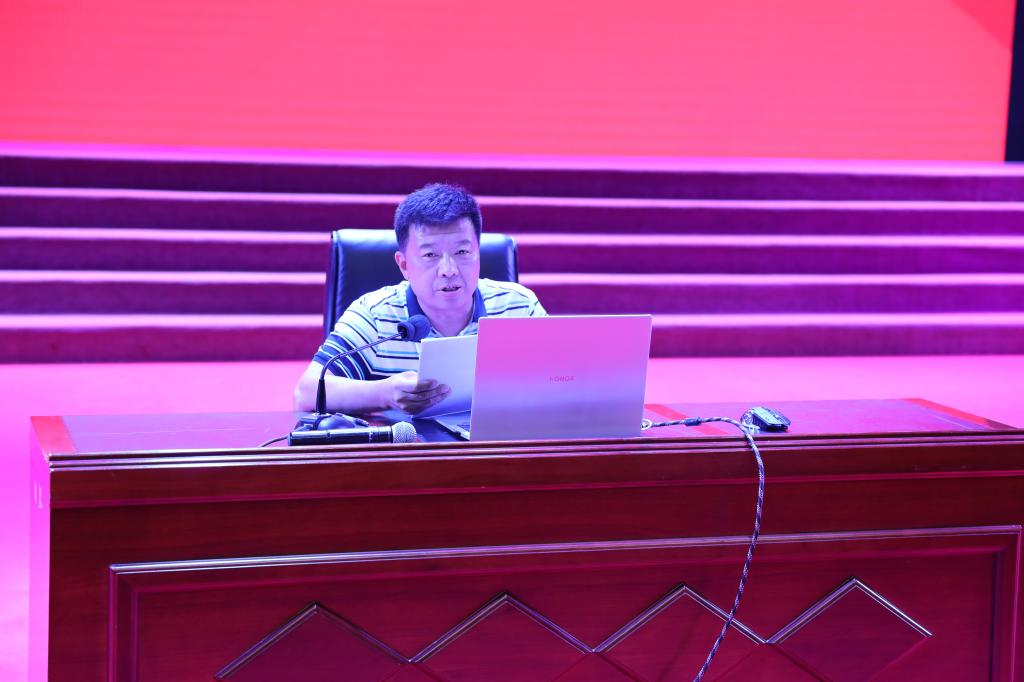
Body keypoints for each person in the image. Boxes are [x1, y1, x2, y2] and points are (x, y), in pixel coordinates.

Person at [294, 183, 546, 415]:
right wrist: (385, 393)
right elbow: (306, 393)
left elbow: (558, 380)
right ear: (404, 265)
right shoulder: (375, 314)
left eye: (462, 251)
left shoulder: (518, 306)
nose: (448, 270)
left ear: (478, 254)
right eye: (430, 255)